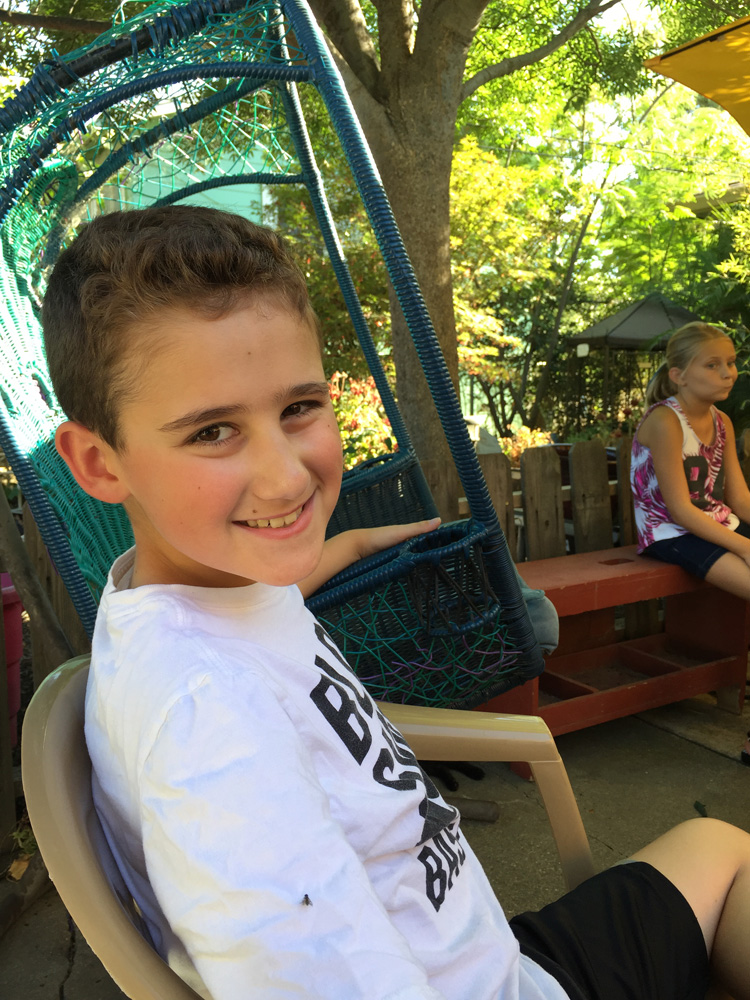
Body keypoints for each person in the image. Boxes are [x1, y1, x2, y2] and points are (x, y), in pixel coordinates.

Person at [44, 206, 750, 1000]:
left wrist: (349, 544)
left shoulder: (195, 596)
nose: (287, 477)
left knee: (718, 846)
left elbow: (260, 608)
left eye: (299, 408)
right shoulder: (210, 733)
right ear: (98, 464)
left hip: (491, 960)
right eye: (212, 432)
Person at [632, 321, 750, 601]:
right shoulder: (665, 421)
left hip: (717, 525)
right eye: (712, 365)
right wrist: (745, 548)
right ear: (679, 376)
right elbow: (681, 511)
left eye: (730, 362)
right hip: (671, 533)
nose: (727, 373)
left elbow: (739, 498)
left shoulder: (722, 421)